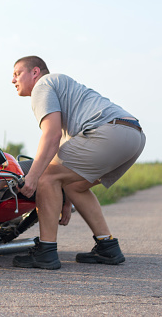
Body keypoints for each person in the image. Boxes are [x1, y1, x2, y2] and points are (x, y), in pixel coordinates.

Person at [11, 56, 146, 270]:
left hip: (108, 132)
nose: (13, 80)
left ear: (35, 72)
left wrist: (32, 177)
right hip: (132, 135)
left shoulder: (43, 86)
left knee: (46, 175)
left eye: (17, 73)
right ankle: (107, 246)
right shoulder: (64, 91)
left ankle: (45, 252)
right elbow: (66, 151)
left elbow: (52, 136)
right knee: (75, 186)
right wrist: (66, 199)